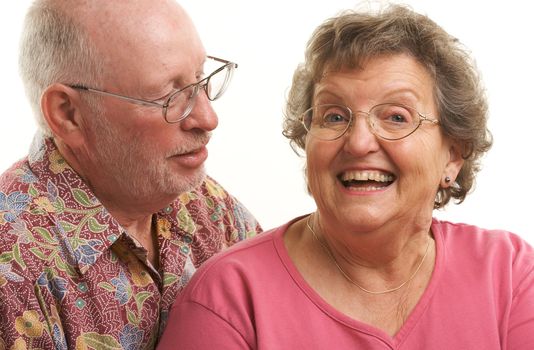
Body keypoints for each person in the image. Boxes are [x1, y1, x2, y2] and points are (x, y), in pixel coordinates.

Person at [158, 4, 534, 349]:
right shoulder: (228, 300)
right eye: (334, 116)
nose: (358, 142)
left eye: (396, 117)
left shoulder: (510, 274)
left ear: (452, 156)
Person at [0, 0, 262, 349]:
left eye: (200, 79)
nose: (207, 118)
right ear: (68, 114)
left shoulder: (207, 206)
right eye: (170, 95)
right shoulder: (13, 274)